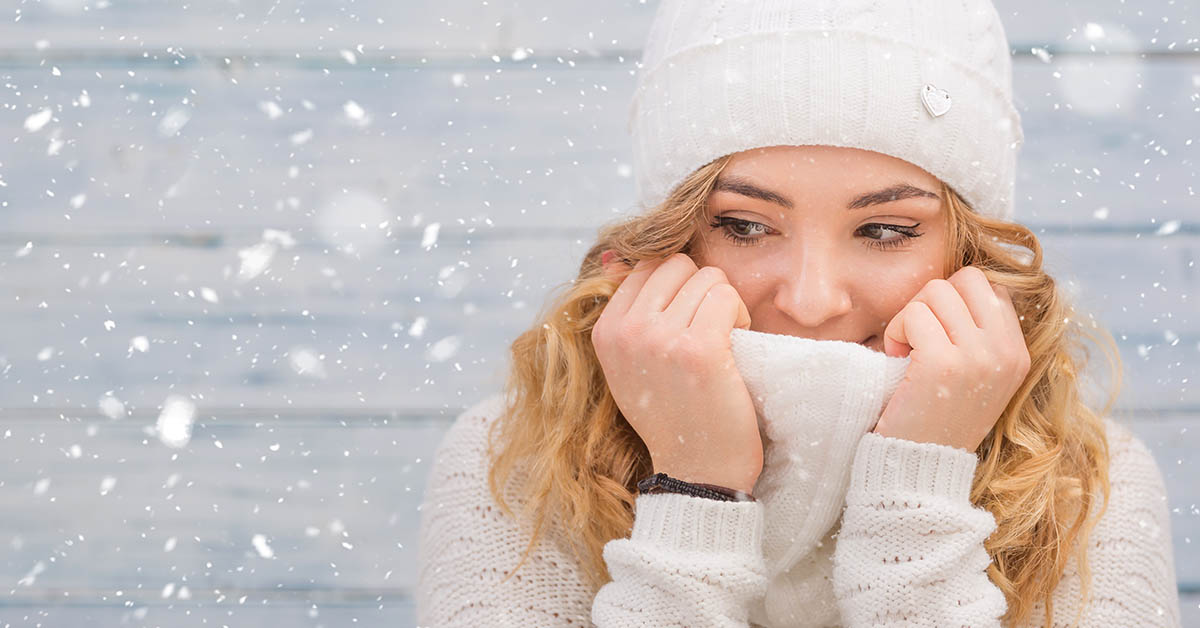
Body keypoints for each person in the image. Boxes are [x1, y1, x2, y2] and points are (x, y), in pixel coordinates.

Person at [415, 0, 1182, 626]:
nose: (812, 301)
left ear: (969, 257)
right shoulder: (516, 463)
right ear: (669, 239)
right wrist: (695, 493)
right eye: (744, 225)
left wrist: (916, 501)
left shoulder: (1090, 487)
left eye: (884, 231)